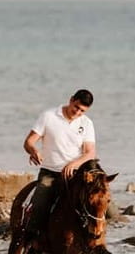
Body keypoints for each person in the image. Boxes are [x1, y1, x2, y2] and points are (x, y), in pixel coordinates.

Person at [22, 89, 97, 242]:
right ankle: (31, 245)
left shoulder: (87, 123)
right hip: (50, 172)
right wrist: (33, 151)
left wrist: (74, 164)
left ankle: (92, 242)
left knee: (97, 202)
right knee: (39, 206)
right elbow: (29, 142)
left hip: (75, 174)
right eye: (76, 107)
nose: (77, 112)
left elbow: (90, 153)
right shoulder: (49, 116)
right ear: (71, 100)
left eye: (82, 111)